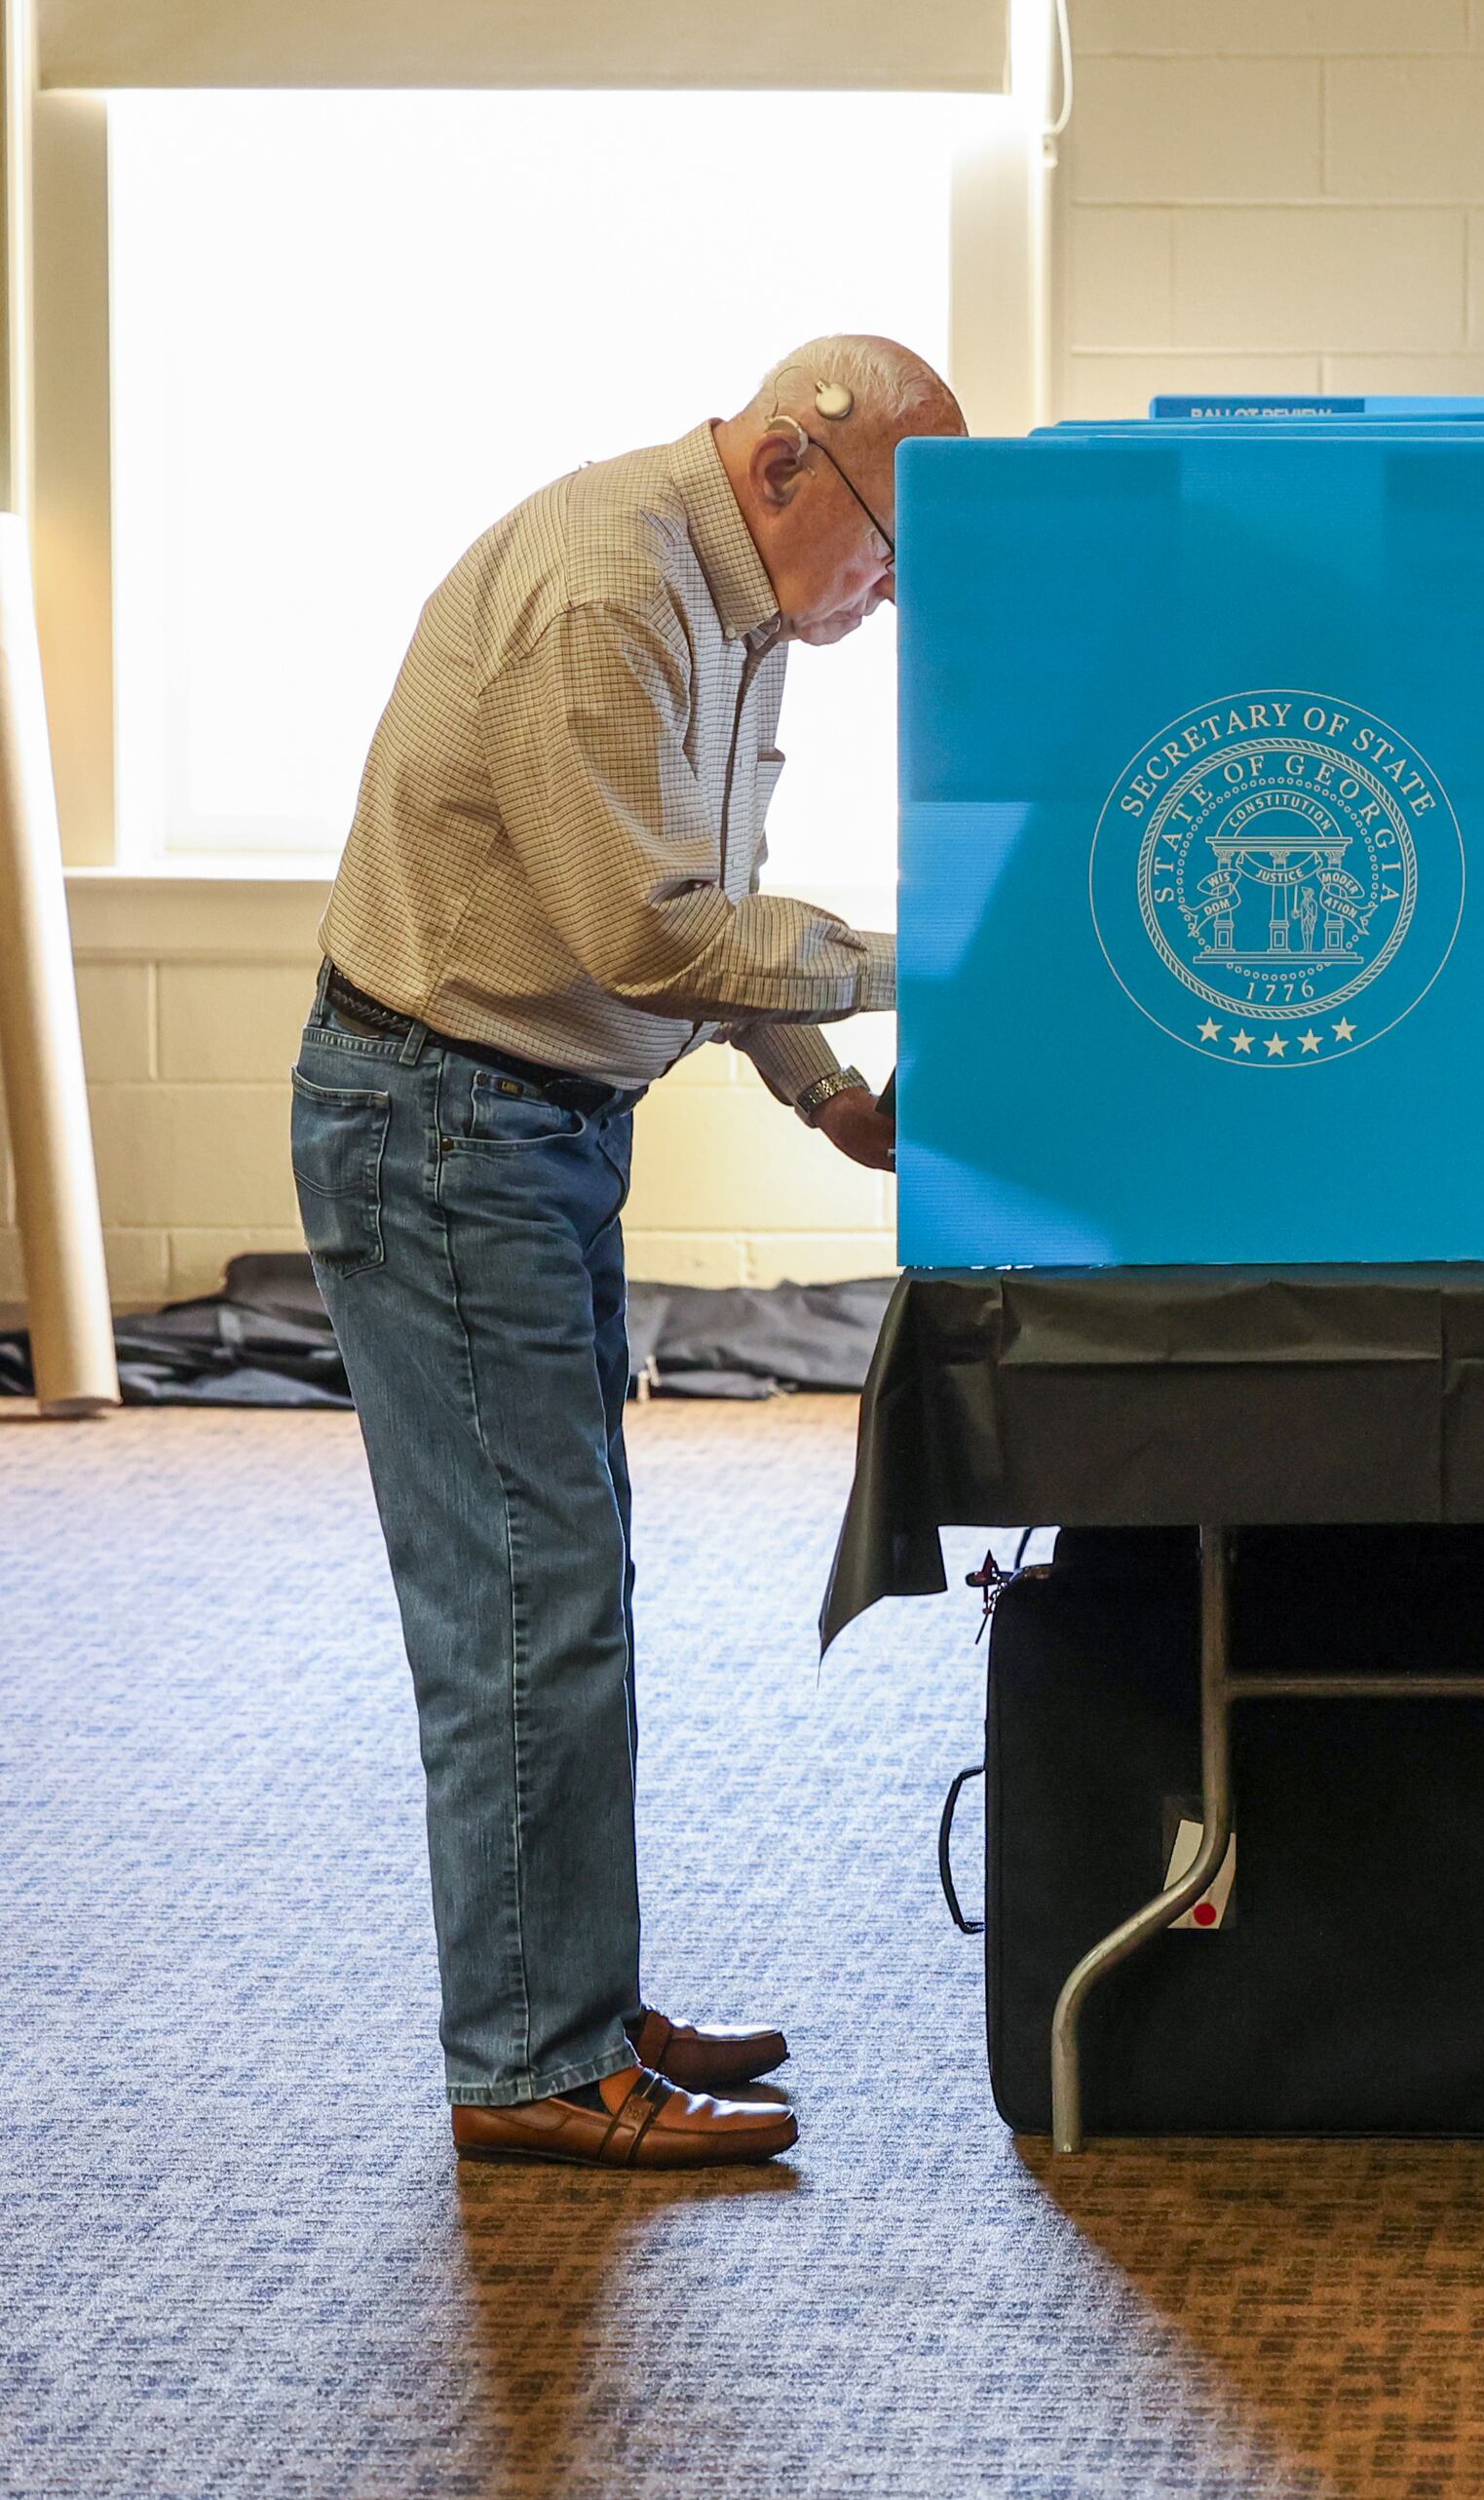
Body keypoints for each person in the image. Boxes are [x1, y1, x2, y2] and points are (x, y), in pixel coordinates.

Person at [294, 337, 962, 2168]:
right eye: (888, 557)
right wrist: (943, 951)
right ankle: (532, 2059)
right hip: (446, 1125)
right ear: (787, 473)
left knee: (560, 1585)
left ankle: (564, 1999)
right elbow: (650, 940)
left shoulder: (725, 599)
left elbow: (701, 884)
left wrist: (828, 1093)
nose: (886, 597)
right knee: (528, 1604)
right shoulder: (613, 593)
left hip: (522, 1128)